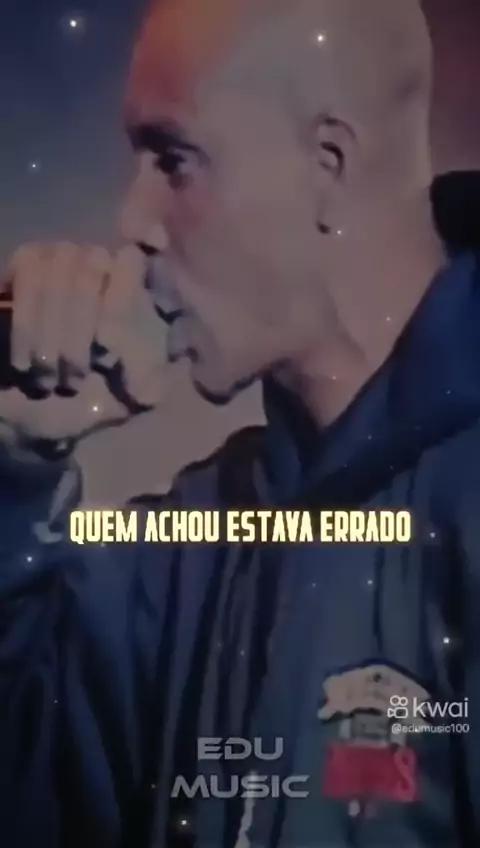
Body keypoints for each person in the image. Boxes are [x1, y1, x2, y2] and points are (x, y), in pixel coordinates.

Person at [1, 0, 479, 846]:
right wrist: (14, 467)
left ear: (328, 164)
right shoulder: (189, 545)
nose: (131, 224)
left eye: (173, 159)